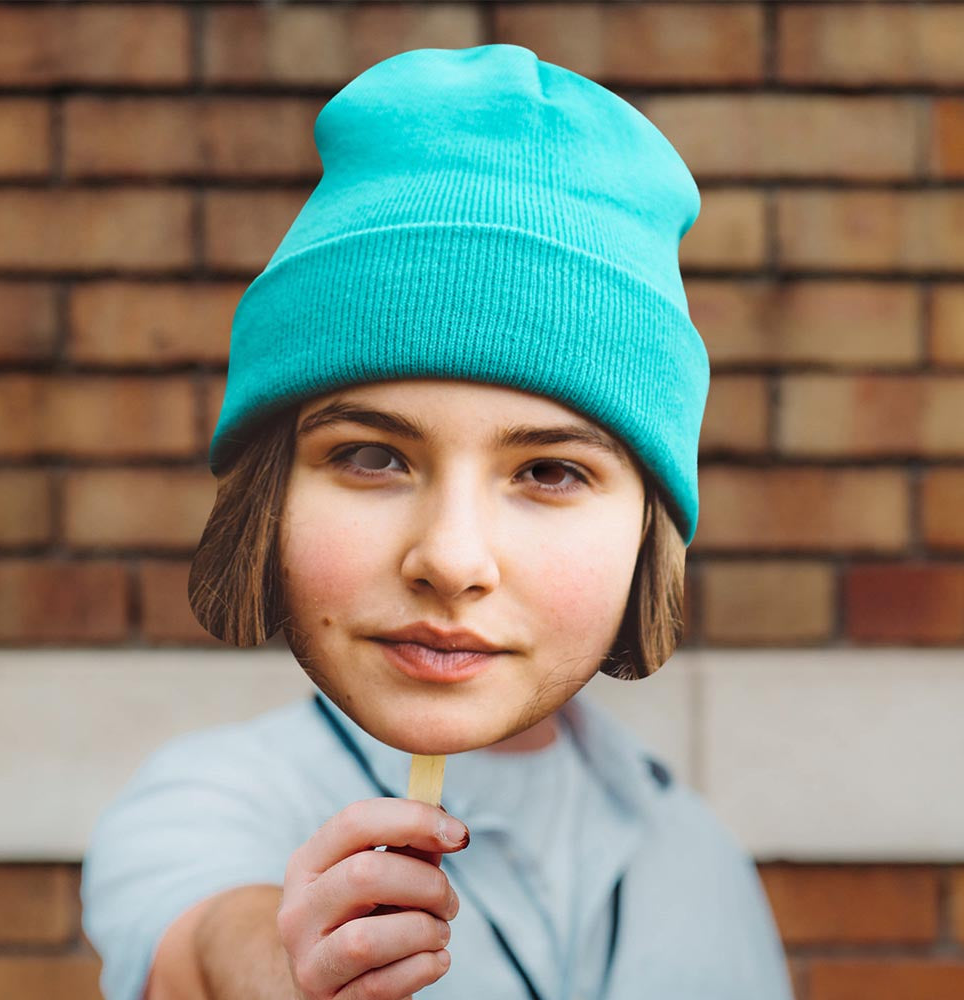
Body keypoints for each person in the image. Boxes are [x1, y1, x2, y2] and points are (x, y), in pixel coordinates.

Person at [80, 44, 795, 1000]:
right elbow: (207, 949)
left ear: (647, 530)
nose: (451, 560)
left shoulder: (697, 857)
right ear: (271, 496)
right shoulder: (208, 804)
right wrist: (288, 971)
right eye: (373, 457)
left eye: (548, 470)